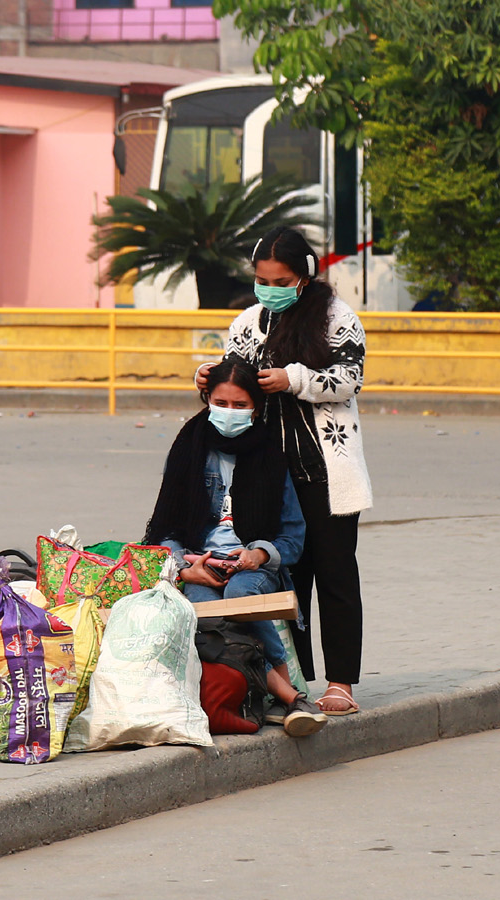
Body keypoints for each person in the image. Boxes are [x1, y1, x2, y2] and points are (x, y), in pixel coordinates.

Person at [196, 226, 372, 716]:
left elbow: (348, 379)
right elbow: (234, 384)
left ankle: (341, 683)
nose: (269, 288)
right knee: (283, 579)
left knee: (335, 575)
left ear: (304, 276)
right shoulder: (249, 323)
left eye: (280, 279)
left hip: (325, 470)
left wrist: (292, 378)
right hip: (266, 473)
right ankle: (293, 681)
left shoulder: (337, 319)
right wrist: (206, 377)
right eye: (261, 278)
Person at [145, 358, 327, 738]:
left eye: (240, 406)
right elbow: (164, 529)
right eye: (221, 403)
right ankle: (289, 697)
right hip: (200, 564)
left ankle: (283, 697)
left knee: (243, 594)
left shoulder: (271, 455)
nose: (229, 412)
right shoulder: (188, 450)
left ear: (256, 408)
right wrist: (183, 567)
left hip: (253, 567)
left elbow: (293, 537)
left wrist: (257, 555)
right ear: (206, 400)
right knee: (208, 614)